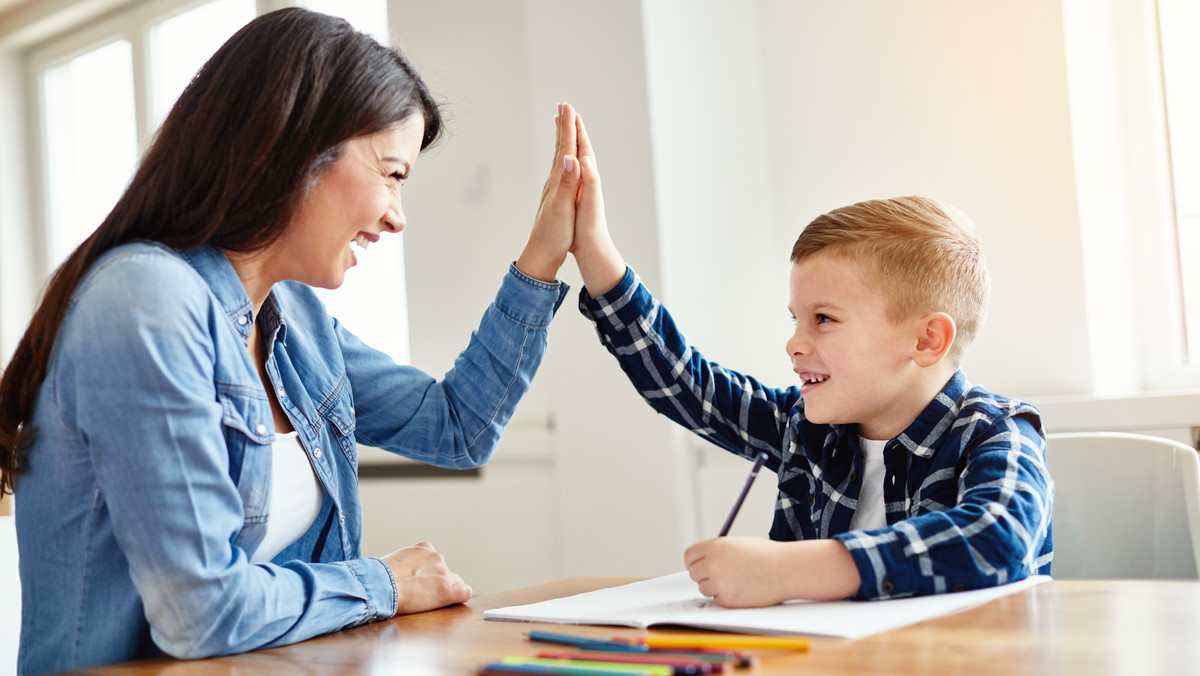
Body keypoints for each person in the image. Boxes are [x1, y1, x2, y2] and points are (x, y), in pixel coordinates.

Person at [0, 9, 589, 674]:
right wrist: (385, 583)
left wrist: (541, 259)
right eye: (393, 174)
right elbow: (203, 612)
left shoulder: (295, 318)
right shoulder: (146, 303)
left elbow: (457, 428)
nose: (398, 217)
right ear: (292, 148)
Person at [565, 117, 1053, 606]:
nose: (794, 344)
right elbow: (689, 385)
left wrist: (791, 571)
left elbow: (998, 537)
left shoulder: (996, 432)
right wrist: (594, 254)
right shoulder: (806, 426)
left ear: (926, 340)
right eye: (795, 319)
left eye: (824, 318)